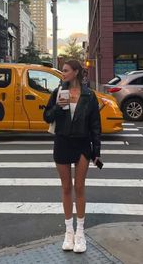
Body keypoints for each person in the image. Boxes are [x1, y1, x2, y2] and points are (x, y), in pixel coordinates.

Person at [43, 59, 101, 253]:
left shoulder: (89, 95)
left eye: (66, 70)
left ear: (76, 72)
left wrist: (97, 152)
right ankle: (69, 232)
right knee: (66, 187)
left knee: (79, 187)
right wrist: (58, 108)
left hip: (83, 144)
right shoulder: (58, 92)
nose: (63, 74)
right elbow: (47, 117)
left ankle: (80, 233)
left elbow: (95, 126)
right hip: (62, 142)